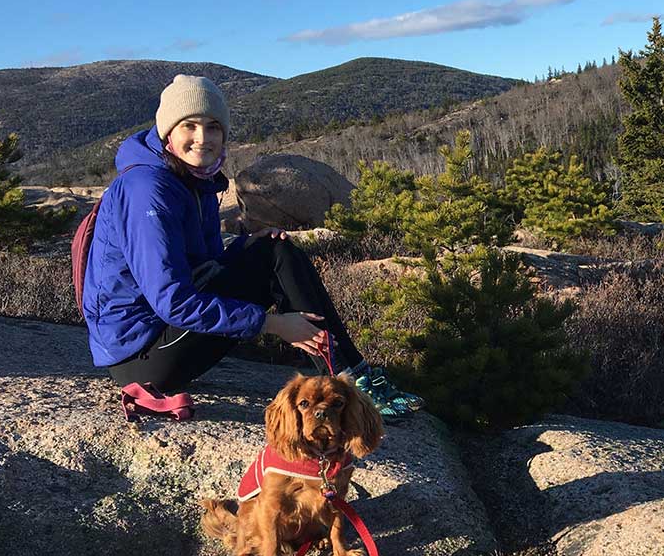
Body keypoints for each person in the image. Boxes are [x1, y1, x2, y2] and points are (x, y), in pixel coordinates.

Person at [81, 74, 420, 419]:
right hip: (142, 357)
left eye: (213, 127)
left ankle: (350, 375)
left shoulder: (193, 180)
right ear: (168, 131)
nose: (203, 138)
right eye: (189, 126)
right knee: (270, 257)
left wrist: (245, 247)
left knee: (275, 249)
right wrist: (272, 324)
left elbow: (205, 265)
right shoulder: (147, 189)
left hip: (158, 332)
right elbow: (173, 301)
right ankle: (347, 385)